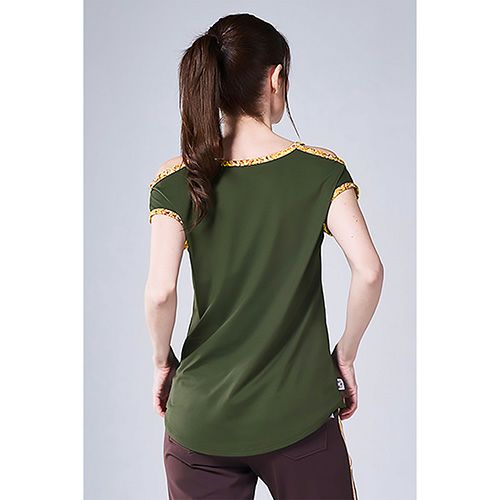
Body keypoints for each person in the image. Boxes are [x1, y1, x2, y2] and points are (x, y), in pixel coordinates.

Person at [145, 13, 383, 500]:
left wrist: (162, 362)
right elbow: (369, 271)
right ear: (275, 79)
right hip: (300, 414)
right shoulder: (320, 172)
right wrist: (345, 355)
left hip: (201, 422)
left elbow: (161, 292)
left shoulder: (176, 179)